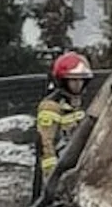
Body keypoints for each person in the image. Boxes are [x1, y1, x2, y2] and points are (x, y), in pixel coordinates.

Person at [36, 51, 93, 183]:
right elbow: (46, 143)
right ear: (63, 80)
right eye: (73, 79)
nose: (78, 83)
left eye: (81, 79)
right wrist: (52, 177)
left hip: (77, 165)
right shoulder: (51, 106)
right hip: (60, 167)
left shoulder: (79, 104)